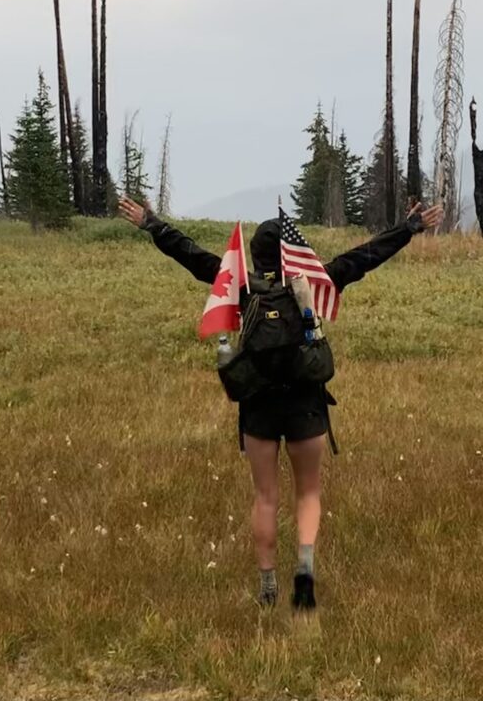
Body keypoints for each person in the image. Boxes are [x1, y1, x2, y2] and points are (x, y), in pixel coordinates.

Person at [118, 196, 443, 611]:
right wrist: (408, 228)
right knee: (308, 493)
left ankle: (268, 584)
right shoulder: (316, 279)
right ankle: (304, 572)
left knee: (265, 496)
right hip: (306, 404)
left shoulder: (240, 285)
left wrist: (152, 223)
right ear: (293, 252)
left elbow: (190, 254)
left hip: (259, 407)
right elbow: (367, 256)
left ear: (255, 254)